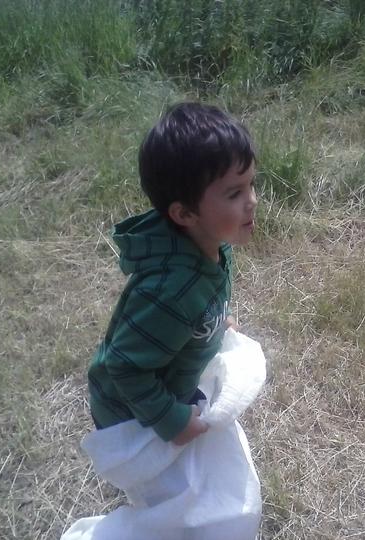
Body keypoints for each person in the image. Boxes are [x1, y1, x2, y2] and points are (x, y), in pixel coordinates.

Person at [87, 102, 258, 446]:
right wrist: (172, 420)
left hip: (170, 389)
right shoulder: (170, 291)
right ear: (184, 214)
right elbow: (124, 367)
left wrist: (216, 322)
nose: (252, 200)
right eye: (234, 193)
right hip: (132, 417)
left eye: (251, 184)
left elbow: (202, 301)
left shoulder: (214, 247)